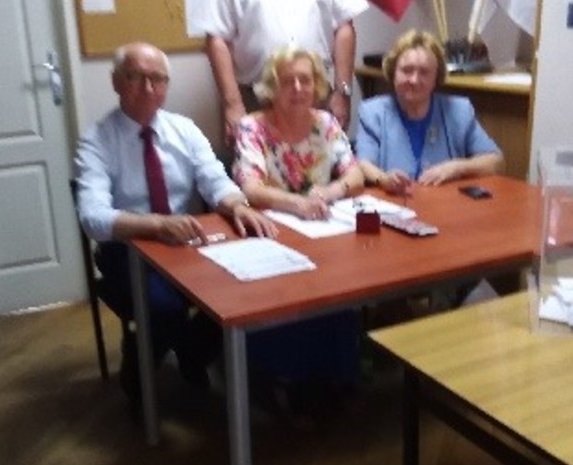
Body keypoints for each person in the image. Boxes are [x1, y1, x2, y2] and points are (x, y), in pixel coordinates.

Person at [74, 42, 278, 412]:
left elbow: (215, 181)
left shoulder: (184, 130)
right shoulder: (97, 140)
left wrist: (237, 205)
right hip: (128, 249)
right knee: (165, 309)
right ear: (116, 82)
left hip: (185, 244)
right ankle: (138, 377)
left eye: (157, 79)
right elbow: (92, 216)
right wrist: (155, 225)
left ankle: (191, 352)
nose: (148, 88)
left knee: (247, 287)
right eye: (135, 77)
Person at [232, 47, 364, 407]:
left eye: (305, 79)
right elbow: (250, 188)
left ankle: (338, 377)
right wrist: (297, 203)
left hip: (322, 232)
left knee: (339, 284)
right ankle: (288, 382)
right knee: (287, 294)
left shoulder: (326, 123)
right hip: (273, 235)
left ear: (317, 84)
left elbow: (354, 175)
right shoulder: (253, 127)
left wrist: (329, 191)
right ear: (271, 88)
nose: (298, 88)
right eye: (287, 81)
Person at [355, 29, 504, 196]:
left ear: (436, 78)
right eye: (406, 70)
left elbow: (495, 161)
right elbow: (363, 164)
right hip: (395, 202)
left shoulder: (459, 111)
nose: (414, 80)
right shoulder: (372, 112)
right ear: (393, 72)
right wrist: (384, 179)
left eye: (424, 72)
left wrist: (457, 167)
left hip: (445, 204)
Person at [201, 0, 369, 139]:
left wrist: (342, 93)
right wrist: (233, 104)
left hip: (314, 93)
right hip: (256, 98)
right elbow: (216, 37)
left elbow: (344, 26)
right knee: (255, 166)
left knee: (326, 164)